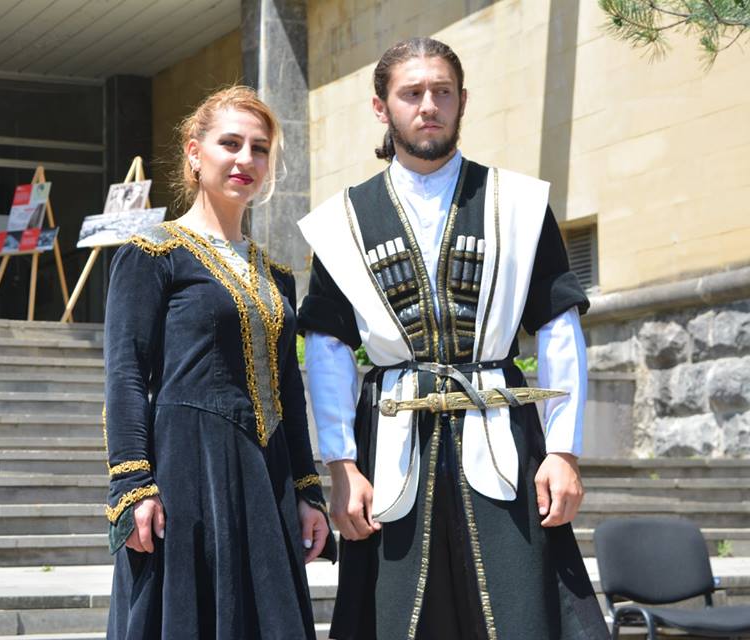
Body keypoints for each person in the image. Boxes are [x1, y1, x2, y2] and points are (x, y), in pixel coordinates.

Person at [297, 38, 609, 640]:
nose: (428, 106)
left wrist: (564, 452)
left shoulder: (519, 204)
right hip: (391, 443)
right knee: (397, 617)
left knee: (519, 613)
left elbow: (558, 326)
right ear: (381, 107)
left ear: (463, 101)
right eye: (411, 93)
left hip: (503, 435)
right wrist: (341, 465)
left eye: (442, 92)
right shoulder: (342, 222)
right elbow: (329, 348)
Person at [103, 85, 336, 640]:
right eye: (230, 143)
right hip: (187, 469)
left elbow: (287, 390)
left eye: (259, 148)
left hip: (266, 474)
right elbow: (126, 374)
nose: (245, 159)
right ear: (194, 152)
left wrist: (307, 491)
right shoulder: (153, 254)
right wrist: (133, 484)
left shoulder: (278, 276)